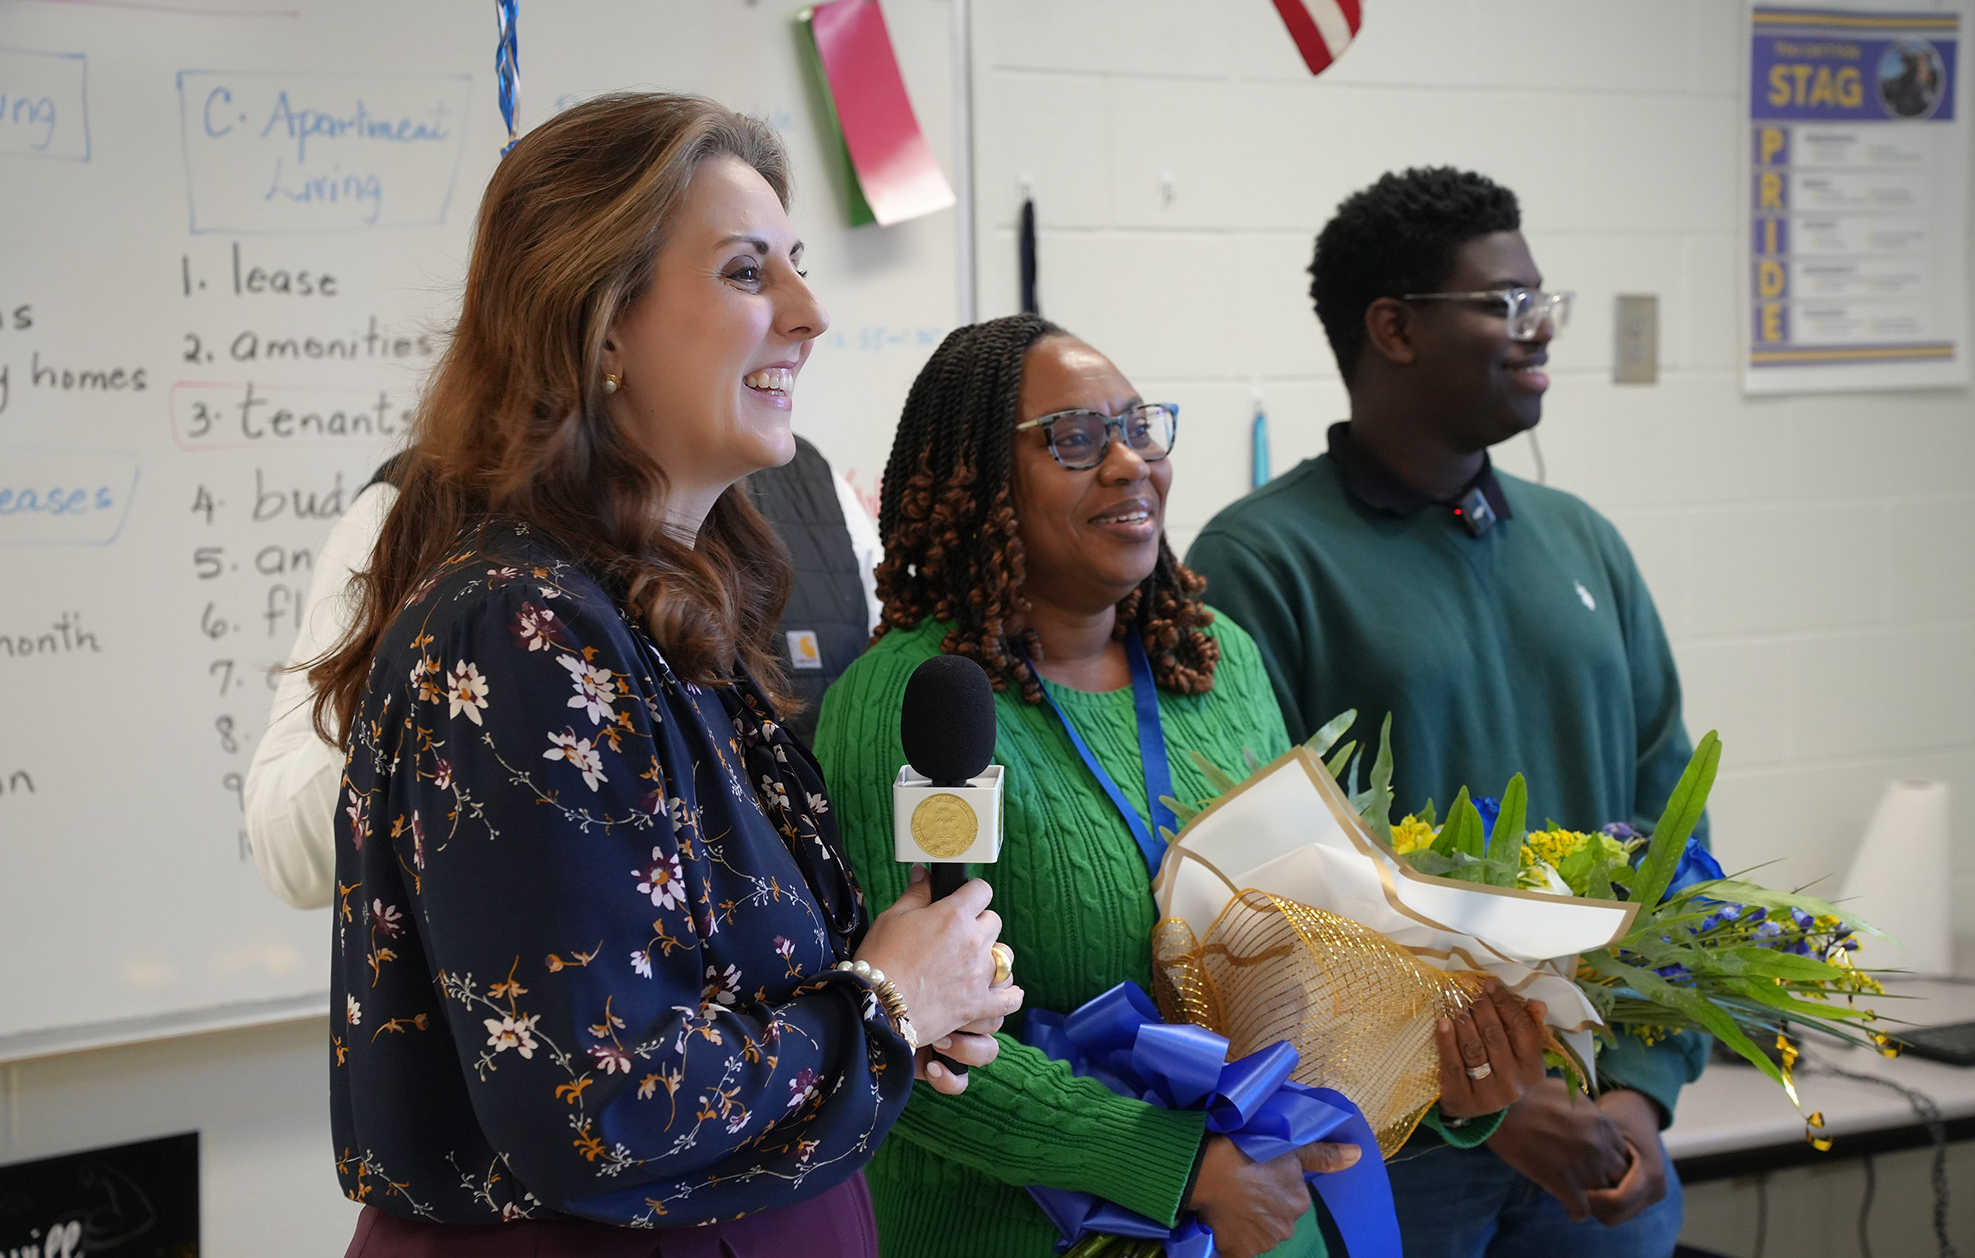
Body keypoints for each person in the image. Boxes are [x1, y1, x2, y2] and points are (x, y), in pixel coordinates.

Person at [309, 92, 1021, 1256]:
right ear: (601, 330)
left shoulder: (654, 611)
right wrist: (885, 1002)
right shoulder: (523, 630)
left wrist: (902, 999)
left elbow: (714, 1005)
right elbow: (600, 1105)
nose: (809, 313)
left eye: (796, 265)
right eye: (747, 272)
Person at [814, 314, 1552, 1258]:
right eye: (1076, 438)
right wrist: (1179, 1164)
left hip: (1263, 1226)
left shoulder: (1216, 661)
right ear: (978, 478)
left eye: (1140, 428)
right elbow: (901, 1041)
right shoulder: (913, 701)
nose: (1129, 462)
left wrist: (1446, 1077)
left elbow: (1307, 962)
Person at [1186, 167, 1712, 1258]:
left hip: (1600, 1139)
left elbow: (1672, 824)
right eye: (1504, 302)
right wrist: (1494, 1108)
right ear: (1394, 328)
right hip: (1392, 1151)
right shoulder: (1259, 560)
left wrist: (1641, 1089)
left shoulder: (1582, 543)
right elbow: (1254, 894)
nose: (1539, 327)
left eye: (1541, 300)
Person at [244, 435, 881, 910]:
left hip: (824, 1022)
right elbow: (288, 857)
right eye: (745, 289)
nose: (808, 317)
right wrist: (436, 669)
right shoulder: (422, 510)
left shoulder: (821, 496)